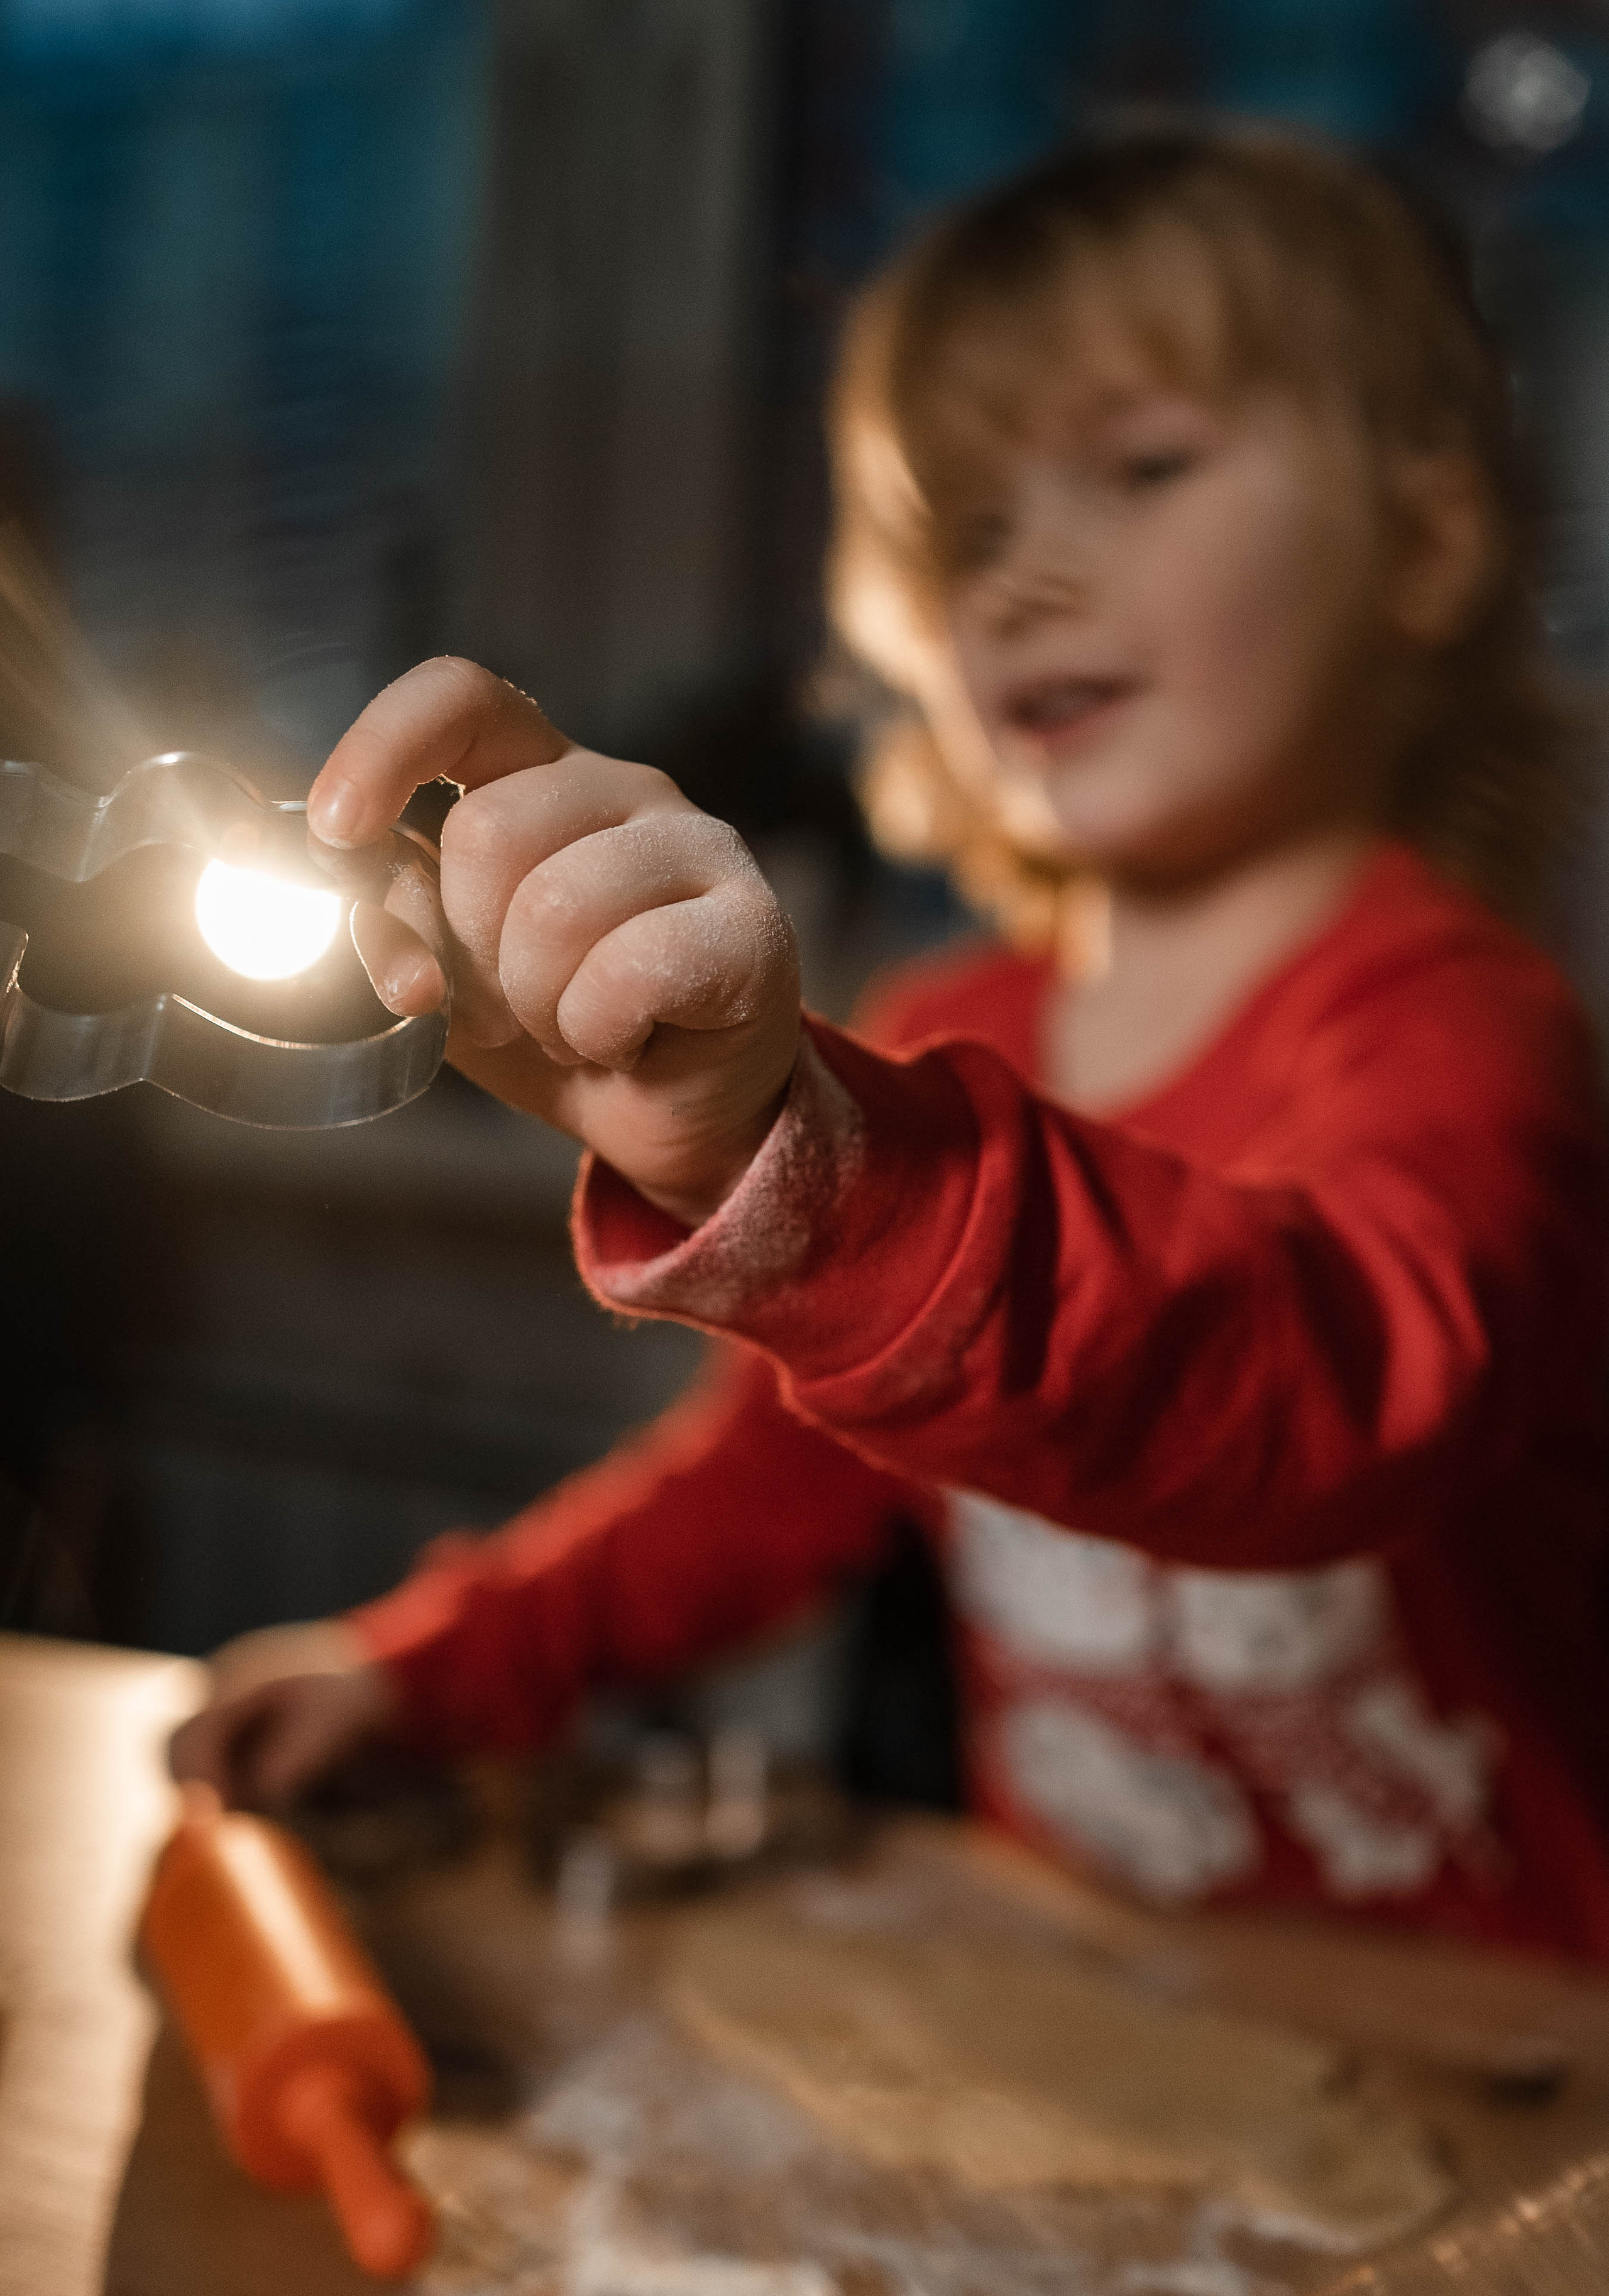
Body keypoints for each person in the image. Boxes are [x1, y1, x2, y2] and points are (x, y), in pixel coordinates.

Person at [171, 126, 1609, 1957]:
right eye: (972, 528)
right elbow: (755, 1490)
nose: (1015, 583)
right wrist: (425, 1667)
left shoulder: (1468, 1030)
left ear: (1426, 535)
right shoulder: (947, 1036)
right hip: (1127, 2018)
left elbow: (1338, 1388)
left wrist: (833, 1181)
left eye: (1145, 466)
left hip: (1520, 2077)